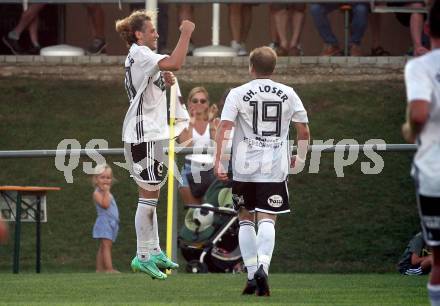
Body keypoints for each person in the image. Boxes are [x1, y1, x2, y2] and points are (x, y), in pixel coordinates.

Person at [214, 46, 310, 296]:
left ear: (251, 67)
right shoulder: (289, 93)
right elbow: (304, 131)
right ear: (274, 68)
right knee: (268, 218)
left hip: (245, 167)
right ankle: (263, 268)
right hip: (274, 167)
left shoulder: (237, 93)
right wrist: (299, 161)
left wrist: (221, 163)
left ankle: (250, 273)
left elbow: (224, 128)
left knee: (245, 218)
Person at [115, 10, 195, 280]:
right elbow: (176, 62)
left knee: (152, 195)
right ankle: (143, 255)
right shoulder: (140, 53)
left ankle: (153, 250)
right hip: (143, 135)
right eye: (152, 31)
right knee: (147, 196)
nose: (157, 34)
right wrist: (185, 33)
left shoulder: (142, 57)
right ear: (139, 34)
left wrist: (165, 80)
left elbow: (155, 83)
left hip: (152, 134)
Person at [402, 0, 440, 304]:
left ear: (427, 29)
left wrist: (411, 131)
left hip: (434, 172)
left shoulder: (422, 66)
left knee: (438, 260)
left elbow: (418, 114)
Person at [178, 87, 219, 206]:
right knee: (194, 215)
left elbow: (216, 145)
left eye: (203, 101)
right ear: (189, 103)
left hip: (211, 171)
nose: (199, 104)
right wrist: (191, 122)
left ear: (208, 104)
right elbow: (186, 147)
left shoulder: (215, 121)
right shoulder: (183, 122)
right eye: (195, 101)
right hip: (190, 170)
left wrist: (211, 122)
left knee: (213, 215)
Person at [92, 164, 120, 273]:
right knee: (106, 246)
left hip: (111, 223)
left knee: (104, 246)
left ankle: (99, 269)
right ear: (96, 180)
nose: (106, 180)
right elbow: (105, 205)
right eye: (102, 177)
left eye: (108, 178)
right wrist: (107, 192)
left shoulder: (104, 193)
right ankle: (109, 268)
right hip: (104, 222)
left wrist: (107, 192)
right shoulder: (97, 193)